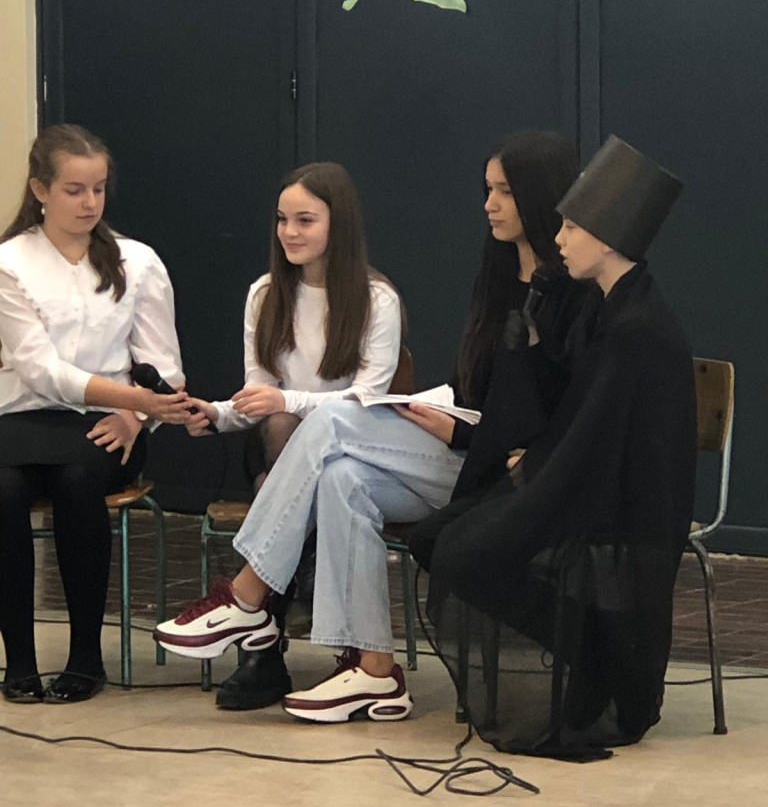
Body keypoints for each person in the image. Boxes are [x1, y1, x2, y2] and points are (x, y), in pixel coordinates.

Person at [154, 130, 581, 722]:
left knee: (332, 420)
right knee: (342, 479)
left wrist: (459, 430)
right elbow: (483, 392)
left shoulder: (568, 293)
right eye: (487, 189)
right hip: (462, 448)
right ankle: (374, 670)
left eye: (503, 191)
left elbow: (558, 409)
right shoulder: (500, 277)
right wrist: (443, 411)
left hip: (507, 472)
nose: (489, 204)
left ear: (537, 194)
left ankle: (249, 594)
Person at [410, 136, 697, 760]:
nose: (559, 238)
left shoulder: (636, 328)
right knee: (437, 537)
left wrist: (532, 476)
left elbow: (598, 438)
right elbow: (576, 413)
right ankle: (588, 645)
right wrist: (533, 352)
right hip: (582, 476)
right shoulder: (608, 311)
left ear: (609, 238)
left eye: (572, 227)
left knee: (465, 552)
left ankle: (597, 654)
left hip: (621, 502)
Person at [183, 161, 404, 708]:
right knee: (281, 430)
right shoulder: (265, 294)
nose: (289, 232)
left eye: (305, 220)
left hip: (351, 450)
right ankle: (286, 601)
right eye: (282, 220)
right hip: (275, 441)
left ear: (338, 224)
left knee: (299, 448)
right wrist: (215, 414)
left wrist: (290, 402)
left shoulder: (377, 299)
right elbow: (259, 397)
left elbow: (367, 401)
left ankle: (260, 633)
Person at [0, 124, 189, 704]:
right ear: (40, 189)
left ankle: (86, 657)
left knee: (79, 480)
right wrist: (135, 399)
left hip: (106, 425)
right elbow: (40, 371)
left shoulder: (138, 261)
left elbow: (165, 367)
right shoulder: (10, 262)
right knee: (4, 491)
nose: (89, 203)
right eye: (74, 190)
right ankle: (20, 662)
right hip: (21, 421)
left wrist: (136, 417)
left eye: (99, 189)